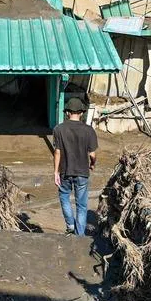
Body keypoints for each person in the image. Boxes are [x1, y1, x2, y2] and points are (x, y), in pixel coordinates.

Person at [52, 96, 97, 236]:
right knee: (82, 206)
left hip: (65, 171)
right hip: (83, 173)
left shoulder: (58, 129)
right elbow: (92, 155)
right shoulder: (89, 130)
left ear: (67, 112)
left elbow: (57, 152)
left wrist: (55, 172)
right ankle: (80, 235)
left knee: (64, 197)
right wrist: (92, 164)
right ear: (82, 113)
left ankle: (70, 224)